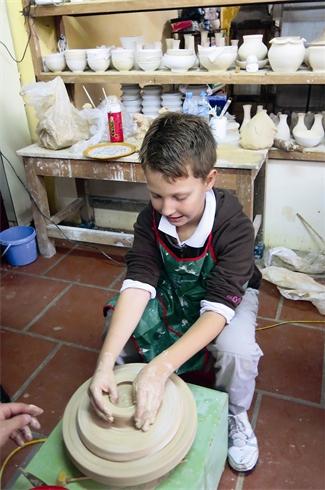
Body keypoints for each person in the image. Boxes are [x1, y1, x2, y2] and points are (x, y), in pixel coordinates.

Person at [88, 112, 263, 472]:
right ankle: (122, 390)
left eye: (179, 197)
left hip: (226, 299)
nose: (167, 210)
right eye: (156, 195)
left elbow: (217, 310)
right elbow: (138, 284)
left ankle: (236, 413)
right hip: (172, 286)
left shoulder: (235, 227)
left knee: (237, 351)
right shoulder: (150, 220)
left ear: (209, 180)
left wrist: (161, 367)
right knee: (115, 331)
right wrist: (103, 364)